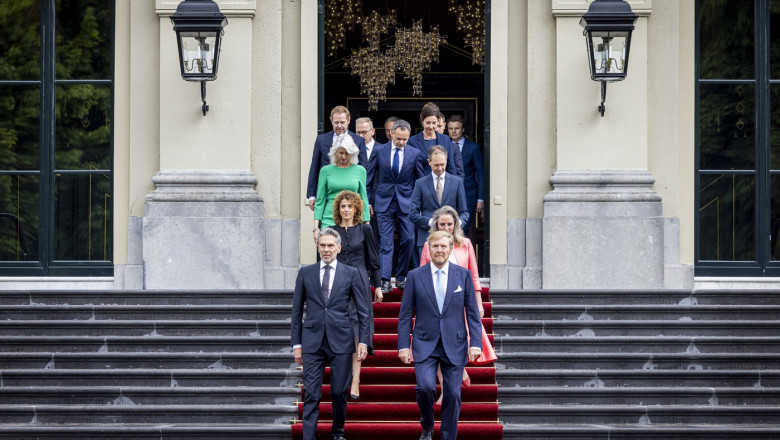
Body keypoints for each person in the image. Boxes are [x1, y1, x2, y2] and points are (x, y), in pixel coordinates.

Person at [398, 230, 483, 440]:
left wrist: (476, 344)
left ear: (450, 249)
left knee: (453, 394)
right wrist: (403, 345)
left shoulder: (462, 275)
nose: (439, 250)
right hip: (425, 343)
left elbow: (472, 312)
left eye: (443, 246)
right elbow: (405, 314)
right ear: (428, 249)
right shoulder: (415, 276)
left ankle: (448, 436)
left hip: (455, 343)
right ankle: (427, 424)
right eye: (435, 246)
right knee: (425, 388)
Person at [291, 228, 370, 440]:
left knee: (338, 392)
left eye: (330, 246)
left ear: (338, 248)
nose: (326, 249)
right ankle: (309, 436)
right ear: (318, 248)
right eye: (322, 246)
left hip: (342, 340)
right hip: (312, 342)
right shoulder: (305, 273)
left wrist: (363, 340)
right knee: (312, 394)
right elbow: (297, 312)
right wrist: (296, 344)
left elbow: (363, 311)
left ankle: (338, 432)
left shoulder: (350, 273)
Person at [419, 205, 497, 405]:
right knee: (436, 344)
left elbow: (474, 274)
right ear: (436, 225)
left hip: (460, 302)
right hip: (435, 305)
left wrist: (478, 302)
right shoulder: (429, 245)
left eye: (449, 224)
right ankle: (447, 387)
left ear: (455, 226)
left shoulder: (466, 244)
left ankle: (458, 373)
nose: (446, 228)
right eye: (442, 224)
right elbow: (422, 276)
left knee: (457, 342)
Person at [331, 190, 383, 401]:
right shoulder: (332, 231)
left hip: (360, 281)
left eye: (349, 206)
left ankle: (355, 381)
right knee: (341, 329)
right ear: (338, 209)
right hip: (338, 283)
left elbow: (374, 259)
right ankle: (343, 376)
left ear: (356, 209)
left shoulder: (365, 229)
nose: (346, 209)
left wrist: (377, 286)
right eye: (343, 206)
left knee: (357, 329)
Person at [367, 119, 424, 293]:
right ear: (392, 134)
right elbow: (369, 179)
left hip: (406, 204)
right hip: (383, 203)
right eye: (398, 138)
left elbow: (420, 181)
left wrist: (419, 204)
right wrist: (368, 201)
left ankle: (400, 278)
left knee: (408, 240)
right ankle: (384, 280)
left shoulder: (414, 153)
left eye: (405, 139)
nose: (401, 142)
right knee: (385, 243)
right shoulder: (379, 151)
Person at [409, 145, 469, 267]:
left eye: (443, 164)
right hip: (426, 237)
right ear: (429, 162)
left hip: (451, 239)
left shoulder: (457, 182)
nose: (440, 168)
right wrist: (432, 222)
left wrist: (456, 225)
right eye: (436, 165)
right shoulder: (420, 183)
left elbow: (464, 212)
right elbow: (412, 214)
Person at [307, 106, 367, 211]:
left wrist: (365, 198)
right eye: (336, 122)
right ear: (331, 121)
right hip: (326, 194)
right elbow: (314, 168)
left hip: (351, 195)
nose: (339, 126)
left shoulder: (358, 140)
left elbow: (363, 168)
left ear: (348, 120)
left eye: (342, 122)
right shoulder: (321, 140)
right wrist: (312, 195)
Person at [312, 135, 370, 239]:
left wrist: (366, 224)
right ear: (335, 153)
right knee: (329, 253)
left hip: (352, 221)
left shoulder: (360, 170)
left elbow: (363, 198)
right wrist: (316, 227)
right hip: (329, 219)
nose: (343, 156)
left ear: (352, 153)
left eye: (347, 153)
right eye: (341, 153)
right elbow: (320, 200)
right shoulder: (325, 170)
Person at [447, 114, 484, 236]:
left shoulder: (473, 148)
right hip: (448, 195)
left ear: (462, 129)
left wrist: (480, 199)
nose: (453, 131)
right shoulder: (444, 146)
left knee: (463, 229)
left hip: (469, 195)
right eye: (450, 128)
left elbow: (480, 175)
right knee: (447, 229)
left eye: (456, 128)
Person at [406, 103, 464, 179]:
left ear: (438, 122)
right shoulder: (412, 141)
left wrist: (453, 187)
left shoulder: (445, 139)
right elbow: (410, 170)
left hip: (443, 186)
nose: (431, 126)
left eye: (434, 123)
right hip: (422, 186)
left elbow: (451, 167)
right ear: (422, 121)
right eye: (428, 123)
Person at [355, 117, 381, 246]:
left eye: (364, 132)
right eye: (358, 133)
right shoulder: (350, 152)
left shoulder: (383, 150)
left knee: (376, 240)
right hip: (356, 201)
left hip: (378, 203)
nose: (360, 136)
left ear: (372, 131)